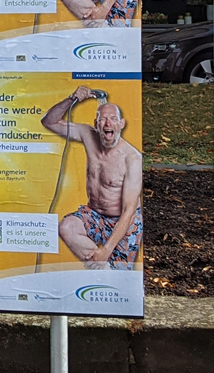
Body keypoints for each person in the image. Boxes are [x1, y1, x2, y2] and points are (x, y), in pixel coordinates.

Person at [40, 88, 142, 266]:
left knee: (118, 277)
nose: (107, 123)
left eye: (113, 119)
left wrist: (107, 250)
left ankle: (106, 270)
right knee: (67, 227)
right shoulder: (88, 134)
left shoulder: (132, 158)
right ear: (96, 123)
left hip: (124, 220)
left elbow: (129, 211)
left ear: (122, 123)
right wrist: (71, 99)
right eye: (102, 119)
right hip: (94, 214)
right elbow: (49, 121)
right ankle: (102, 268)